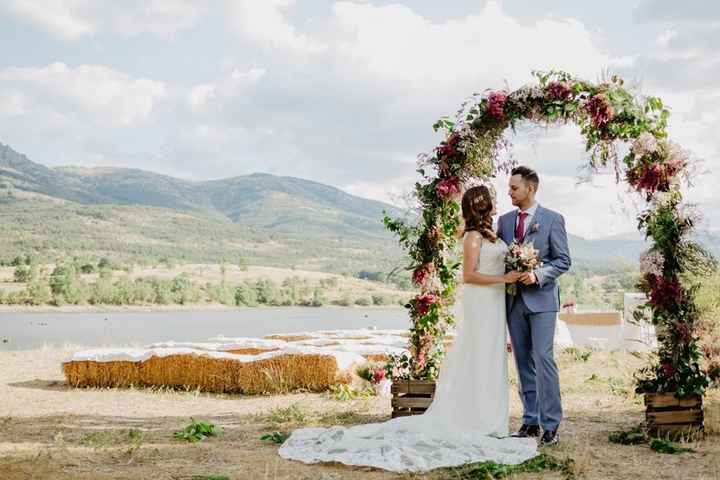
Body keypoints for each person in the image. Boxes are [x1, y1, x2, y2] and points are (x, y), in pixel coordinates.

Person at [277, 185, 538, 473]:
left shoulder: (492, 234)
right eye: (490, 201)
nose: (495, 204)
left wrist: (516, 265)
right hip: (481, 303)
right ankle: (478, 419)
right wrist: (505, 278)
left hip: (494, 304)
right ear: (481, 205)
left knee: (490, 358)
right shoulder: (472, 237)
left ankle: (491, 419)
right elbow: (469, 275)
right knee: (478, 356)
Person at [497, 166, 572, 446]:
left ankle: (550, 424)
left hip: (542, 300)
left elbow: (563, 260)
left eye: (514, 188)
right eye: (509, 187)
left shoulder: (553, 219)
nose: (509, 192)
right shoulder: (504, 221)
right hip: (513, 300)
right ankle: (530, 420)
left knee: (543, 359)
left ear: (531, 189)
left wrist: (537, 275)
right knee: (522, 362)